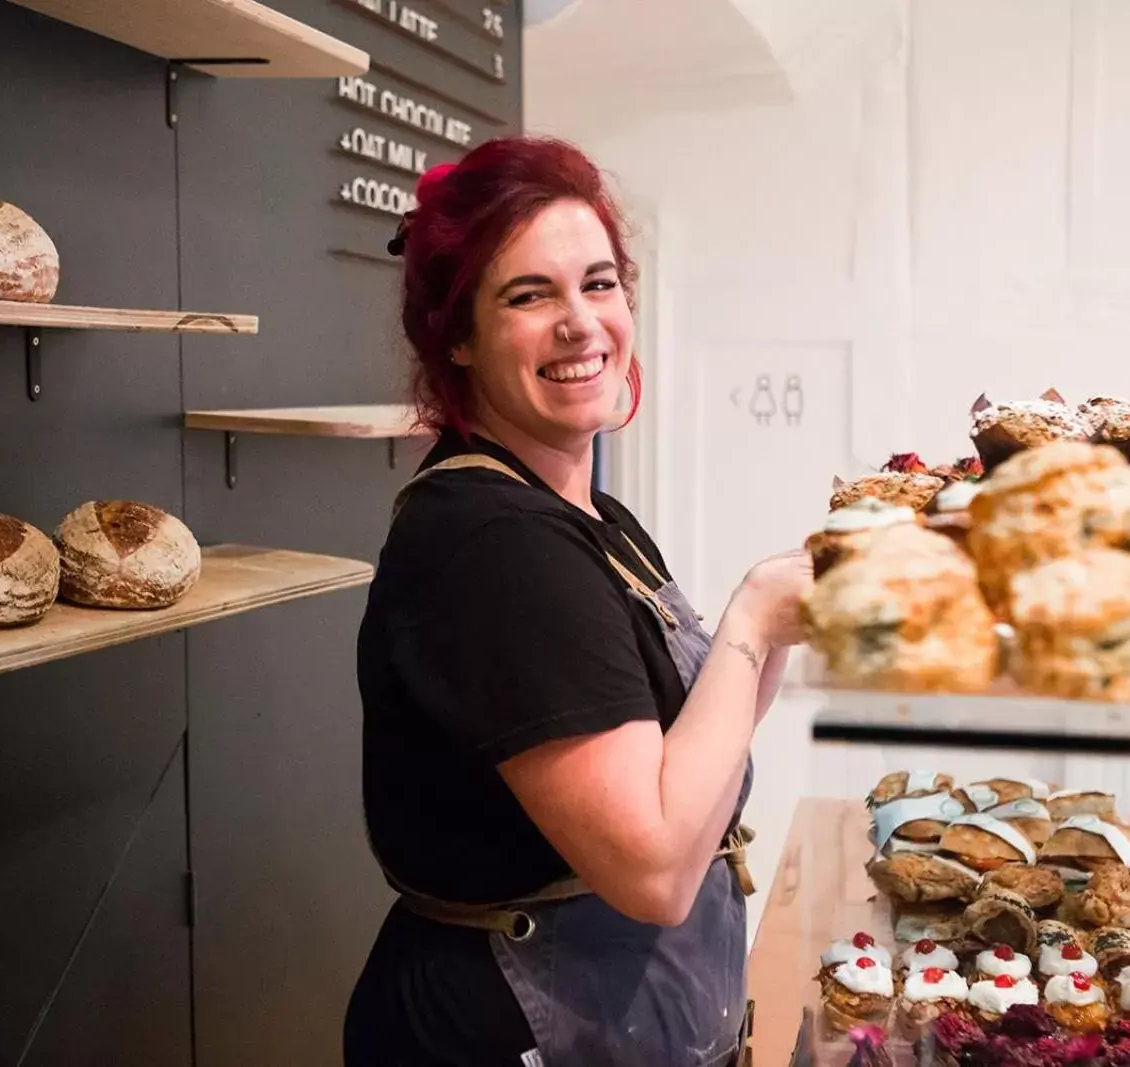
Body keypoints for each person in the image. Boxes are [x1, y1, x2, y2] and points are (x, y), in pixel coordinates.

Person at [344, 135, 814, 1067]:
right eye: (529, 295)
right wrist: (756, 617)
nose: (580, 323)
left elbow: (688, 749)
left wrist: (785, 618)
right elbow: (651, 868)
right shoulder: (494, 544)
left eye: (598, 284)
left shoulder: (588, 514)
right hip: (511, 1026)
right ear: (458, 336)